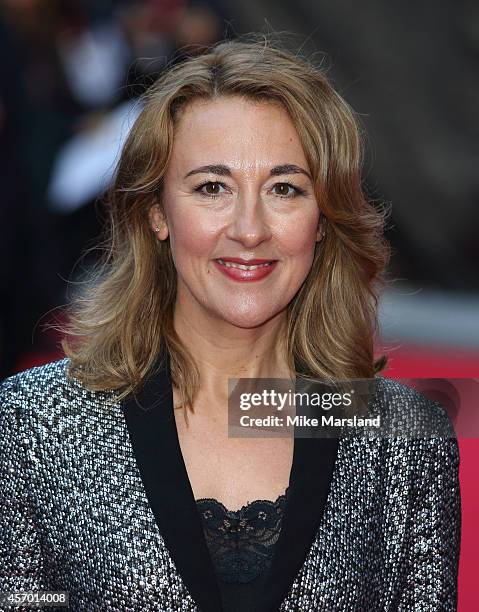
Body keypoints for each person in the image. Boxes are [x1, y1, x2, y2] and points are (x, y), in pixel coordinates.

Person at [0, 34, 460, 611]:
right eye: (212, 188)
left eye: (284, 189)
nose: (249, 228)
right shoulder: (32, 427)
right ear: (156, 212)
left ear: (322, 220)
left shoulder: (400, 436)